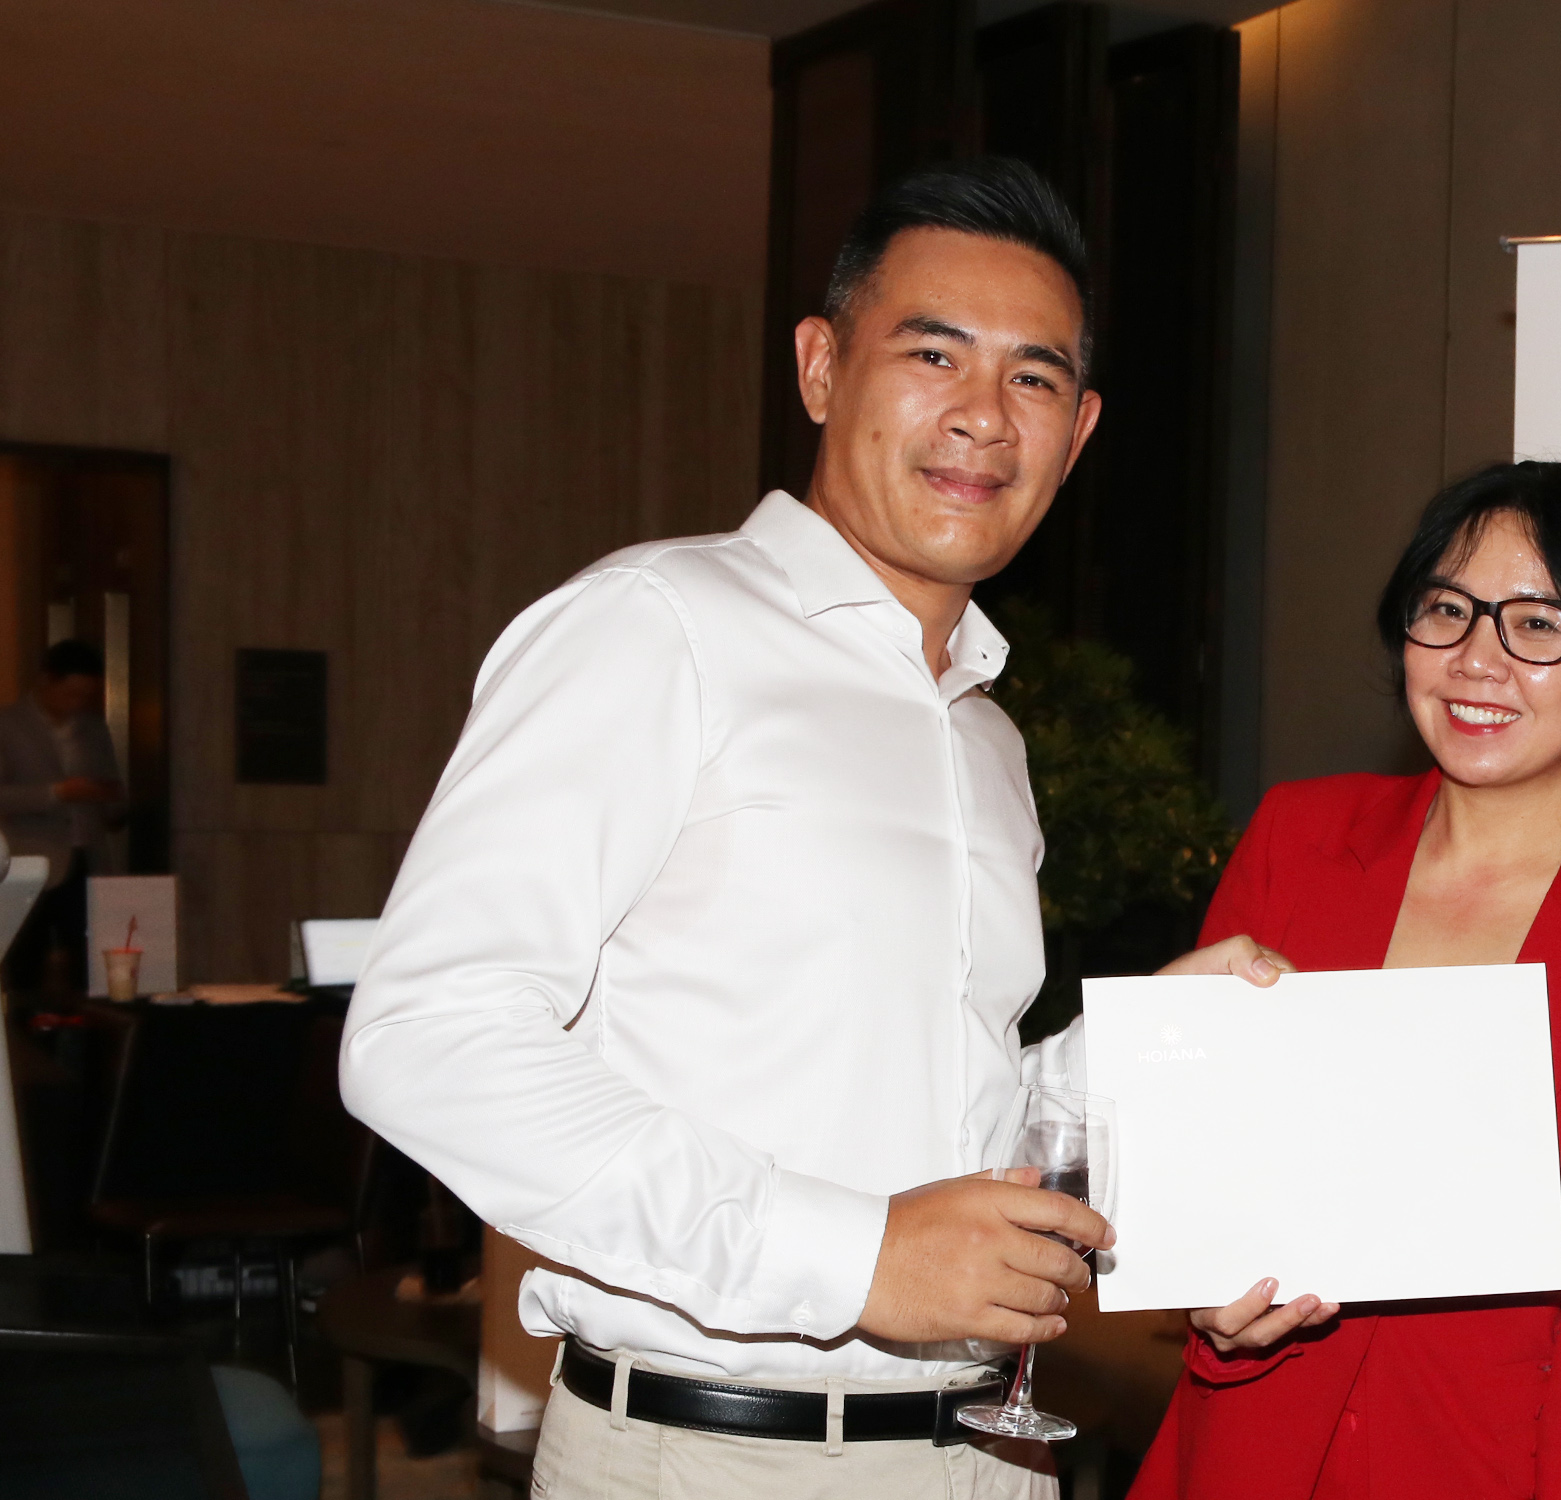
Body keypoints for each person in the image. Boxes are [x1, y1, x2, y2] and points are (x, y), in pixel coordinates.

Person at [338, 157, 1270, 1500]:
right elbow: (427, 1037)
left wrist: (1136, 1050)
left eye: (1033, 379)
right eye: (933, 354)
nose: (983, 416)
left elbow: (939, 1120)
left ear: (1078, 434)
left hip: (985, 1451)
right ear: (821, 368)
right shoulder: (657, 627)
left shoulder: (985, 735)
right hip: (715, 1456)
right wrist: (852, 1257)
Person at [1129, 462, 1561, 1500]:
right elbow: (1211, 1188)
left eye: (1537, 624)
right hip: (1247, 1451)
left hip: (1506, 1471)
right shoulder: (1298, 840)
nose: (1479, 659)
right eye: (1447, 610)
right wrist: (1207, 1292)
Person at [0, 638, 124, 992]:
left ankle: (87, 1024)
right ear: (46, 681)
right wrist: (57, 793)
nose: (78, 703)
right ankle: (27, 1024)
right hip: (31, 857)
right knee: (26, 961)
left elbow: (113, 785)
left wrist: (109, 797)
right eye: (71, 693)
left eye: (86, 695)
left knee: (91, 961)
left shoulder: (93, 728)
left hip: (88, 856)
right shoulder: (7, 725)